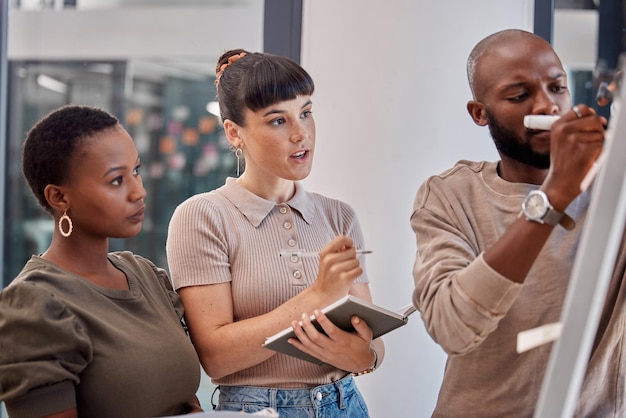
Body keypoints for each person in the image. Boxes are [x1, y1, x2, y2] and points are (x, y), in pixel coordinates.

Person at [411, 29, 625, 417]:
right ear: (480, 113)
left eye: (558, 87)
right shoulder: (450, 195)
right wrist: (555, 195)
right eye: (520, 96)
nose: (548, 106)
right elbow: (451, 326)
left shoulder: (614, 194)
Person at [166, 49, 384, 417]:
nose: (301, 133)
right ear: (234, 133)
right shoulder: (203, 216)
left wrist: (363, 355)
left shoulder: (339, 216)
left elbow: (372, 347)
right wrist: (317, 296)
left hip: (346, 403)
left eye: (306, 113)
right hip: (259, 410)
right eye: (277, 121)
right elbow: (216, 358)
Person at [0, 105, 203, 418]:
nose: (139, 192)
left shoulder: (144, 274)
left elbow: (180, 400)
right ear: (59, 198)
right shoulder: (36, 305)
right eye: (116, 181)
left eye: (136, 171)